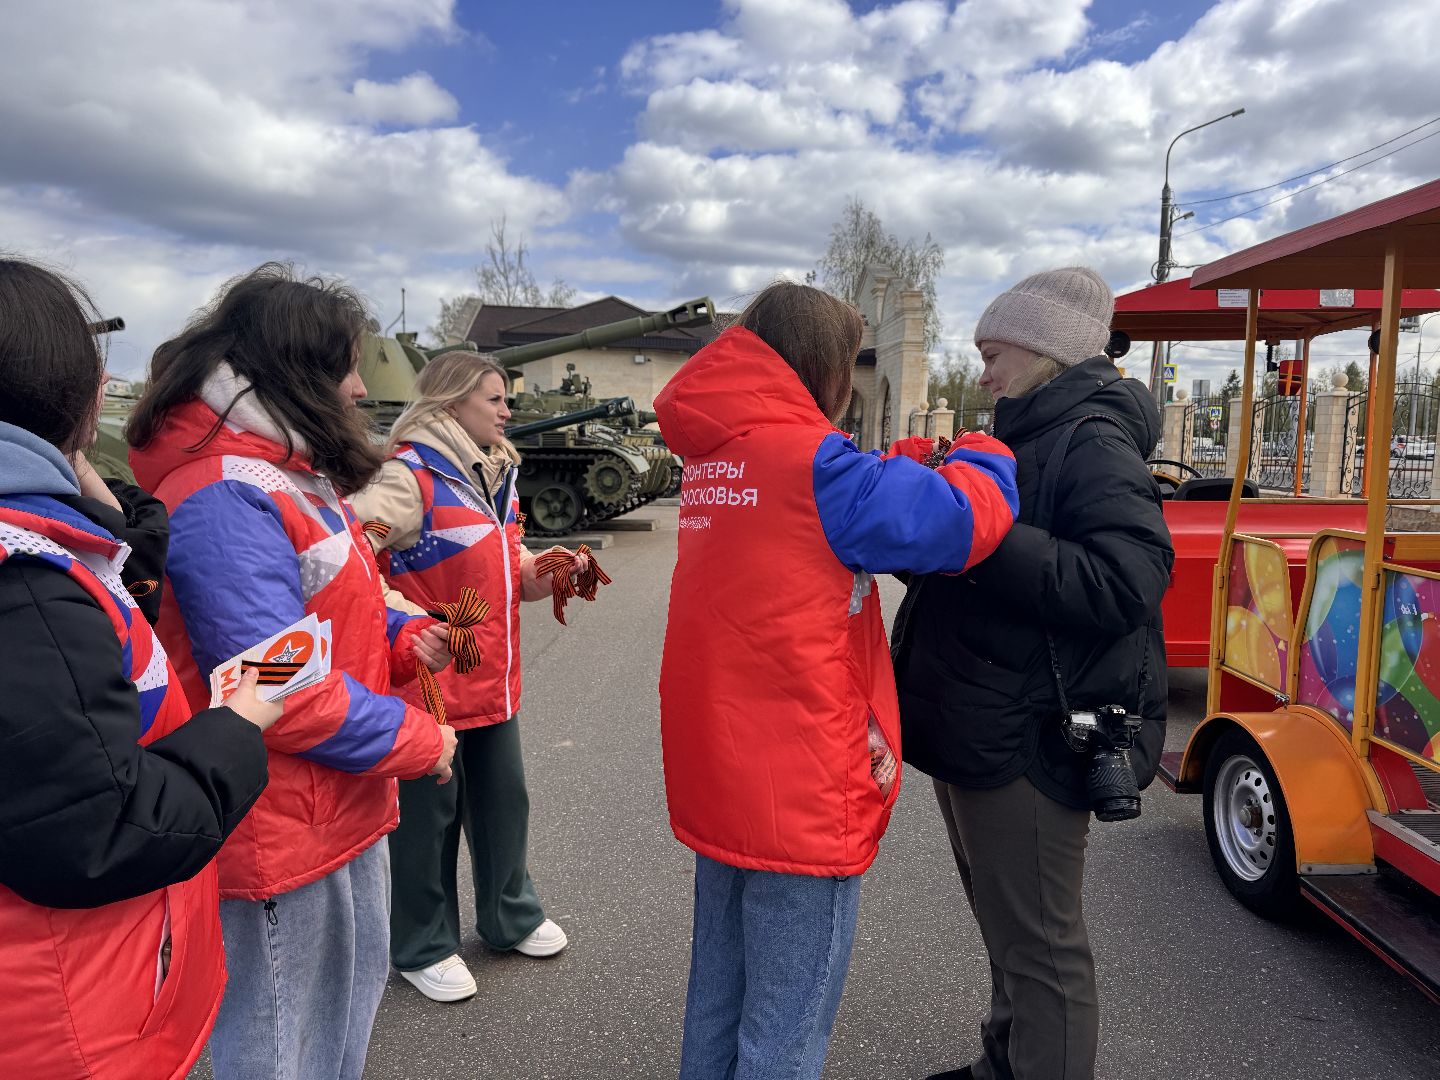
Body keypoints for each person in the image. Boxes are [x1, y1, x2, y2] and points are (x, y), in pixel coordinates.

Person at [655, 281, 1020, 1079]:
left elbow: (840, 494)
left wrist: (910, 460)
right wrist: (986, 454)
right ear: (824, 365)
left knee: (718, 997)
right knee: (785, 1030)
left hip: (720, 769)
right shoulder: (818, 467)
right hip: (799, 786)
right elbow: (956, 522)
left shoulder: (717, 453)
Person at [127, 262, 458, 1080]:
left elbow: (324, 619)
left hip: (330, 807)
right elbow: (277, 684)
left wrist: (402, 635)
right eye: (346, 366)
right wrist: (420, 740)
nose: (359, 387)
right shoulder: (227, 494)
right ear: (296, 370)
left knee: (332, 1038)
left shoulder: (286, 477)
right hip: (281, 827)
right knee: (284, 1051)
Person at [0, 257, 278, 1079]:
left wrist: (77, 491)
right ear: (82, 396)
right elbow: (101, 826)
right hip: (65, 1023)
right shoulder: (26, 582)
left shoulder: (44, 554)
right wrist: (238, 725)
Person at [892, 267, 1173, 1080]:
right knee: (1007, 925)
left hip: (1031, 735)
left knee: (1044, 946)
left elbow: (1127, 580)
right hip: (984, 721)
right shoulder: (1027, 433)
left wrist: (975, 536)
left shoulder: (1090, 437)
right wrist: (924, 535)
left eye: (993, 355)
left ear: (1046, 350)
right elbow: (991, 570)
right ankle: (1004, 1063)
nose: (982, 375)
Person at [351, 350, 584, 1002]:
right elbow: (349, 556)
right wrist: (404, 620)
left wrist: (549, 571)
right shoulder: (407, 479)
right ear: (452, 402)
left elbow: (510, 565)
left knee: (504, 804)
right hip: (426, 689)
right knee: (426, 824)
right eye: (495, 399)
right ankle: (423, 945)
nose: (508, 411)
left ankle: (510, 916)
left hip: (492, 683)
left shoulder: (495, 474)